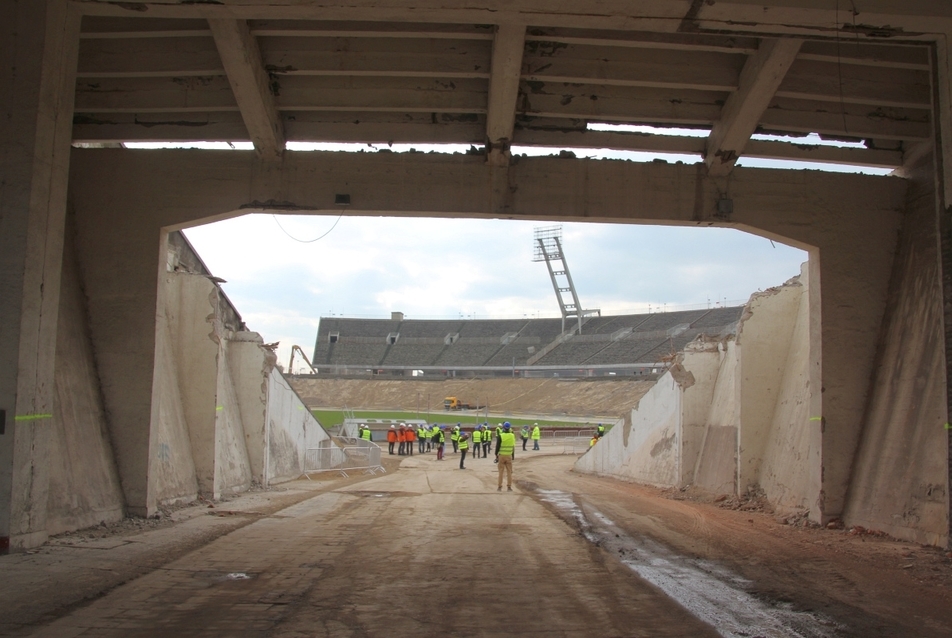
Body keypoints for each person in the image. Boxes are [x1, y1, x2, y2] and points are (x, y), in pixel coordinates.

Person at [496, 422, 516, 491]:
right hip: (509, 455)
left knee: (501, 472)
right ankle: (509, 487)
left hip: (501, 455)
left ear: (503, 428)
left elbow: (497, 446)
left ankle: (499, 487)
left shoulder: (501, 436)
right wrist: (513, 456)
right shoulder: (512, 435)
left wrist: (496, 455)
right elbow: (513, 446)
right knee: (509, 472)